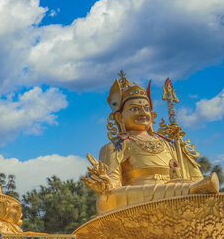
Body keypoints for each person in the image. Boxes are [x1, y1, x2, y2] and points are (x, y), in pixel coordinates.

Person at [82, 73, 218, 215]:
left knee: (202, 193)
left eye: (146, 109)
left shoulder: (170, 145)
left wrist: (183, 160)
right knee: (109, 196)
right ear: (119, 117)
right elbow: (114, 185)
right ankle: (184, 191)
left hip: (178, 193)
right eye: (134, 109)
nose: (143, 112)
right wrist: (106, 183)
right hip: (140, 199)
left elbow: (200, 182)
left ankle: (184, 191)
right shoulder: (115, 146)